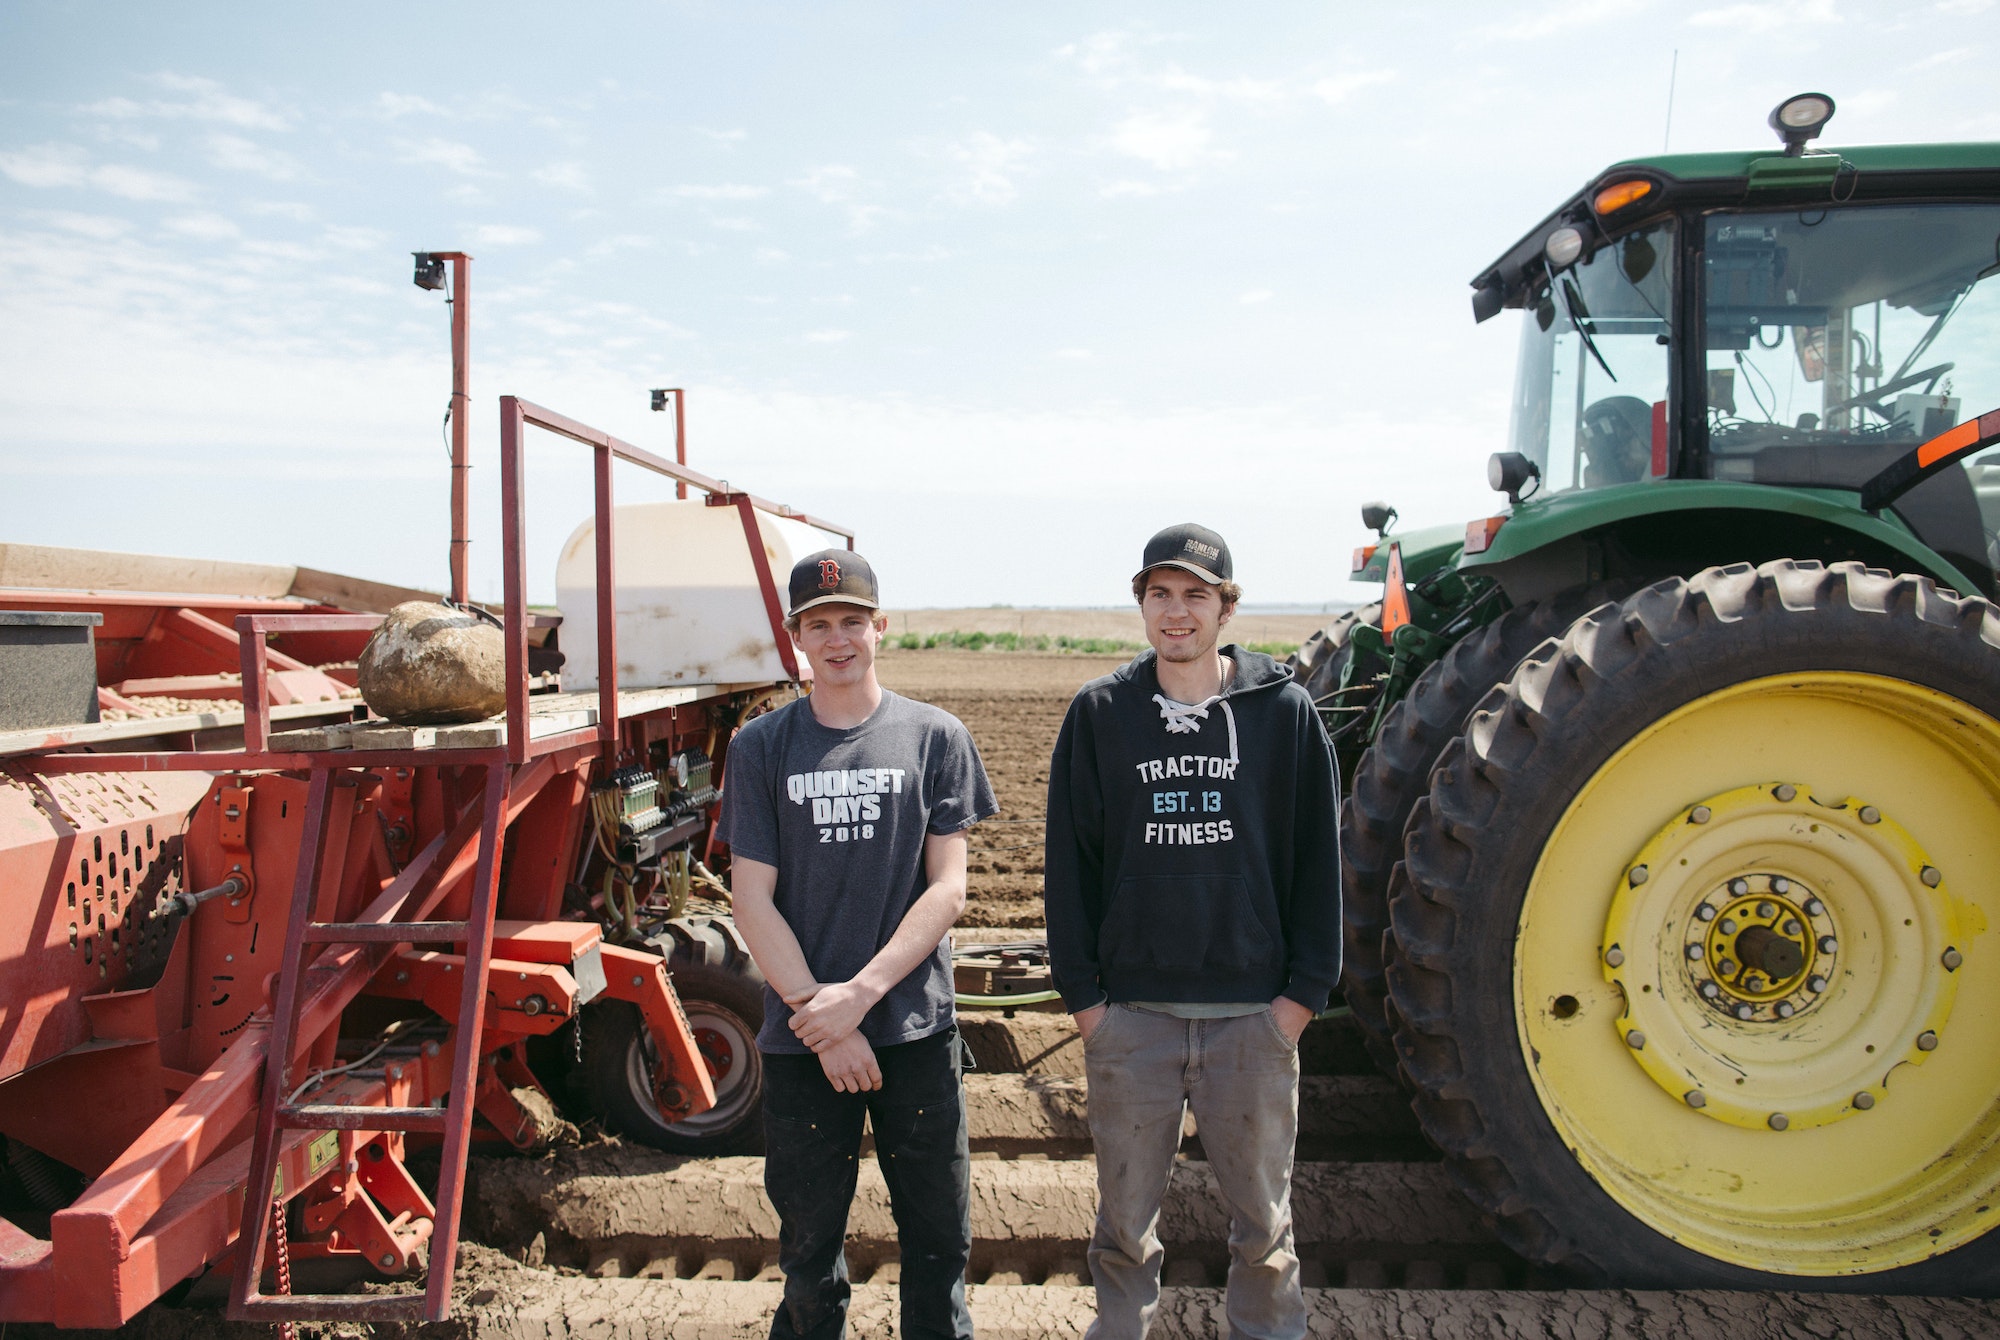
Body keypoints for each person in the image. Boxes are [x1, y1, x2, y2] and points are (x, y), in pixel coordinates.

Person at [1044, 523, 1342, 1340]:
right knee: (1123, 1234)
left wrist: (1299, 1001)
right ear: (1142, 604)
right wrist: (1088, 1006)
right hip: (1133, 1021)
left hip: (1252, 1020)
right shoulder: (1102, 714)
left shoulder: (1283, 715)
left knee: (1265, 1235)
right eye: (1161, 594)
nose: (1177, 613)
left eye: (1195, 596)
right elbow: (1068, 866)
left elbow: (1321, 861)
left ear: (1225, 607)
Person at [718, 548, 998, 1340]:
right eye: (818, 624)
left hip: (911, 1030)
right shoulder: (762, 748)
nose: (836, 638)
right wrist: (819, 1014)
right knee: (809, 1253)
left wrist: (859, 1000)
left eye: (851, 621)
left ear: (880, 626)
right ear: (795, 636)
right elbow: (751, 896)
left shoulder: (935, 737)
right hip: (803, 1039)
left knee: (939, 1246)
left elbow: (948, 889)